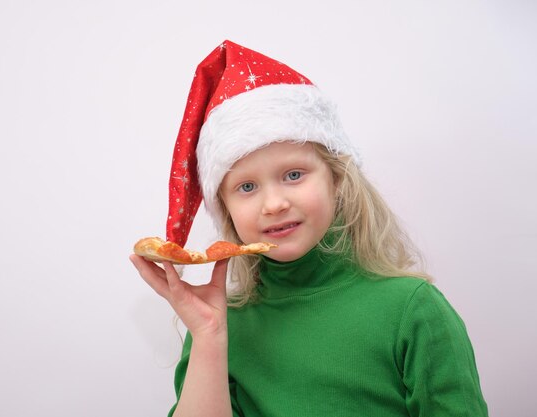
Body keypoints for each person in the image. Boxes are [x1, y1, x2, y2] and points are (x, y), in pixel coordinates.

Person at [129, 40, 488, 417]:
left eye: (294, 174)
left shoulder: (414, 310)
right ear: (227, 211)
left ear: (337, 180)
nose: (274, 204)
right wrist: (208, 337)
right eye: (246, 187)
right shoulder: (219, 325)